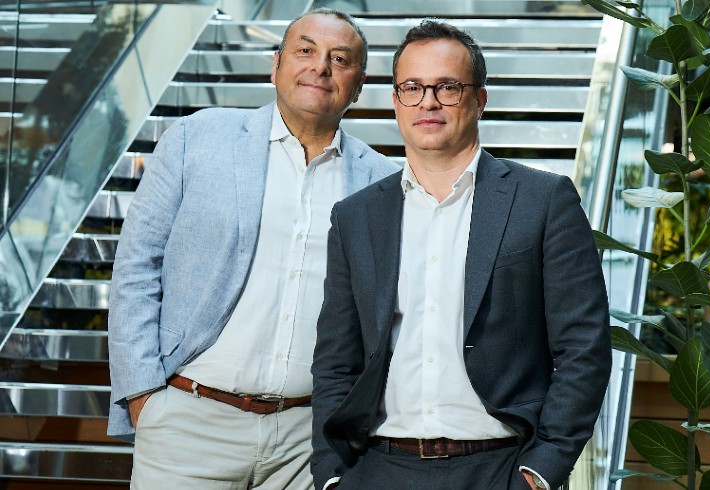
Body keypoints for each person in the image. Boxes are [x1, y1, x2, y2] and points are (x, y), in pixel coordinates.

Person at [311, 20, 611, 490]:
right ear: (395, 100)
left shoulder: (543, 200)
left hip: (502, 468)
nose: (427, 101)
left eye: (447, 87)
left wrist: (544, 468)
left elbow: (584, 346)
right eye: (412, 87)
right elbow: (335, 359)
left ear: (479, 98)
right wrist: (332, 474)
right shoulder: (356, 216)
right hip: (379, 470)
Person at [107, 8, 399, 489]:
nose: (320, 66)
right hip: (189, 421)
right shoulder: (194, 139)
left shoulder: (382, 181)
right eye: (305, 50)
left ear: (359, 83)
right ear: (276, 64)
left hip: (309, 442)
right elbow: (137, 269)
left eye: (339, 58)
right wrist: (143, 394)